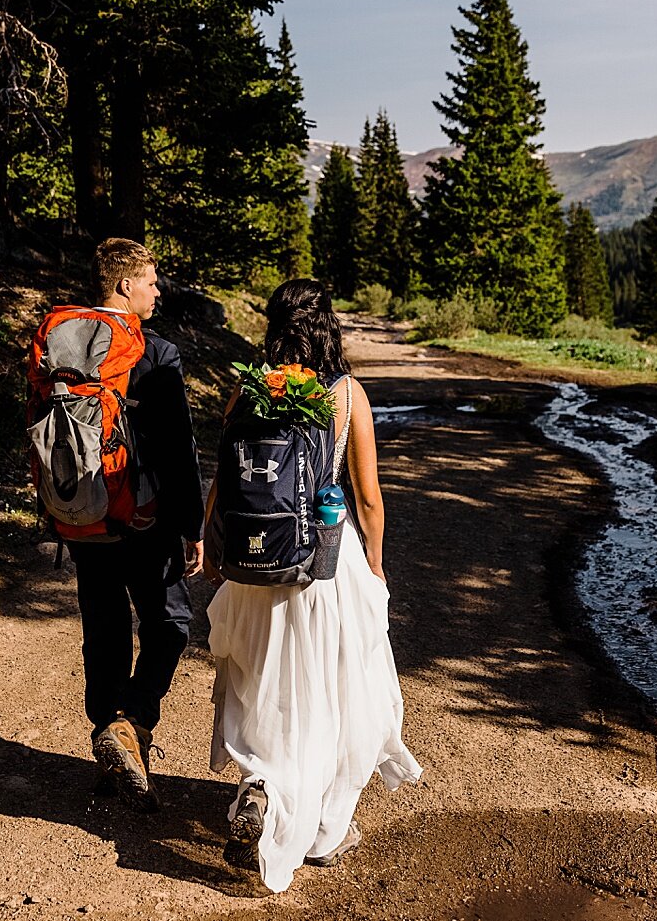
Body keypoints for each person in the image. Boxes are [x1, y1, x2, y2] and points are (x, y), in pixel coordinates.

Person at [202, 278, 422, 892]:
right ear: (327, 325)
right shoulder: (346, 395)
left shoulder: (248, 390)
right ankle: (323, 829)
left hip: (255, 561)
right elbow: (369, 499)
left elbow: (223, 481)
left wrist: (209, 544)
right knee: (334, 687)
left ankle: (263, 787)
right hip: (323, 560)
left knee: (260, 677)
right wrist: (375, 565)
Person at [60, 238, 203, 811]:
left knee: (105, 626)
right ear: (124, 286)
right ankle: (132, 722)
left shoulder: (63, 344)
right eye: (149, 280)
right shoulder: (155, 352)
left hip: (83, 510)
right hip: (145, 516)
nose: (157, 289)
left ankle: (108, 734)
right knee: (169, 623)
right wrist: (192, 522)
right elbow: (177, 445)